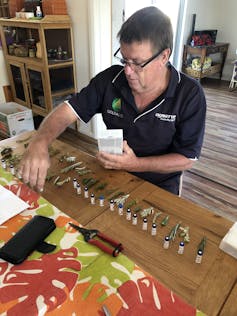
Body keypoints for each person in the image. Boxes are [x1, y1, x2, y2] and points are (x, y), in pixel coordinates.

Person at [19, 6, 206, 195]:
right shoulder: (110, 80)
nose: (128, 71)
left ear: (164, 56)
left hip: (160, 186)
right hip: (114, 174)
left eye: (138, 63)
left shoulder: (189, 94)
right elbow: (68, 111)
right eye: (124, 60)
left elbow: (187, 158)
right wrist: (40, 142)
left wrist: (136, 164)